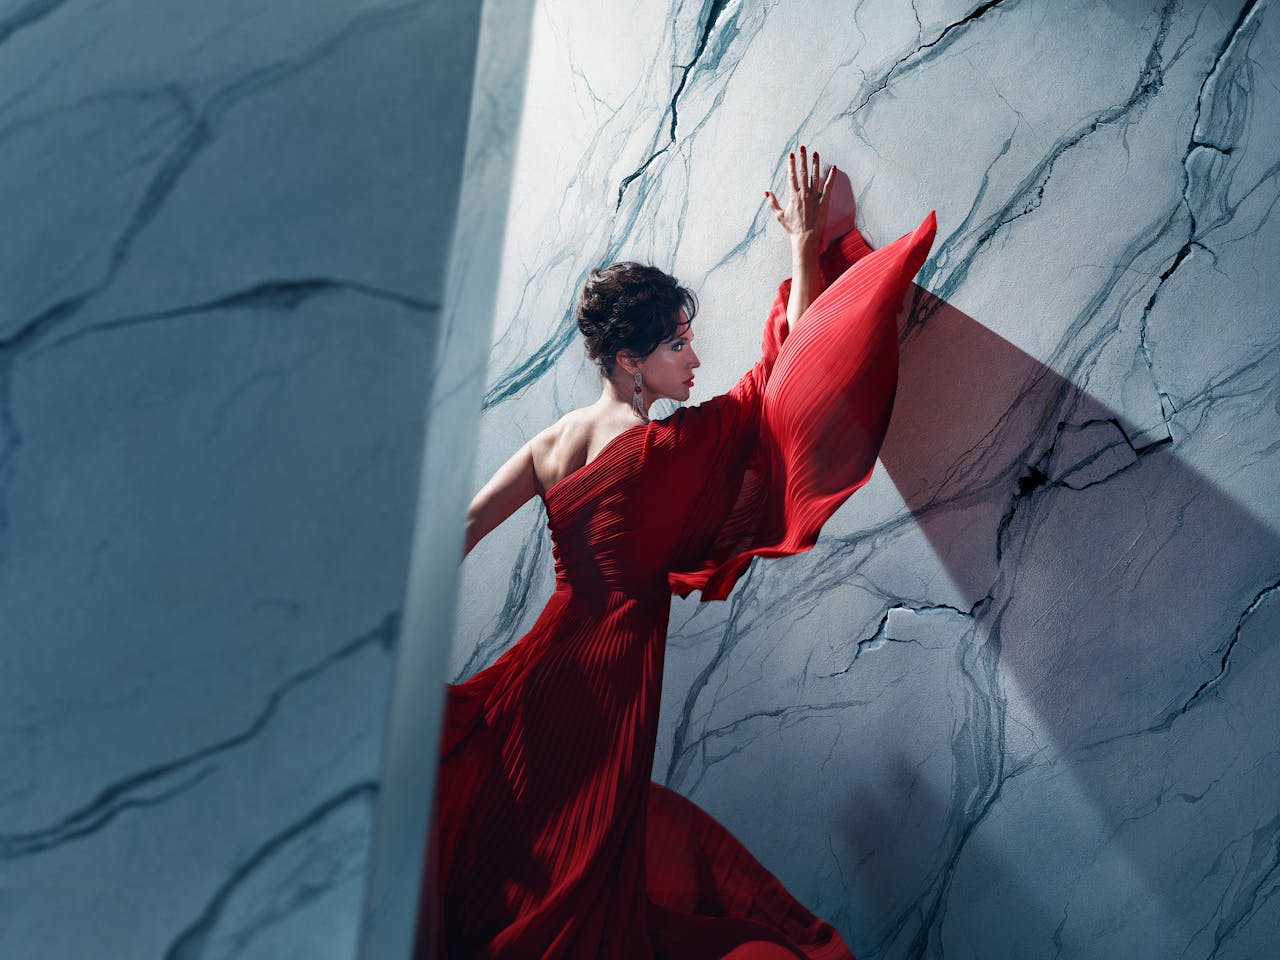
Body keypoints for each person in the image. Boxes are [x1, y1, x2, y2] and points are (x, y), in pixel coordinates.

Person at [418, 145, 937, 959]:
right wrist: (806, 248)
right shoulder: (667, 447)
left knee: (523, 858)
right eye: (678, 347)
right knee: (576, 872)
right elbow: (786, 375)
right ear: (630, 362)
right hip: (603, 682)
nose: (694, 359)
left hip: (542, 671)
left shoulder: (554, 443)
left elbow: (456, 533)